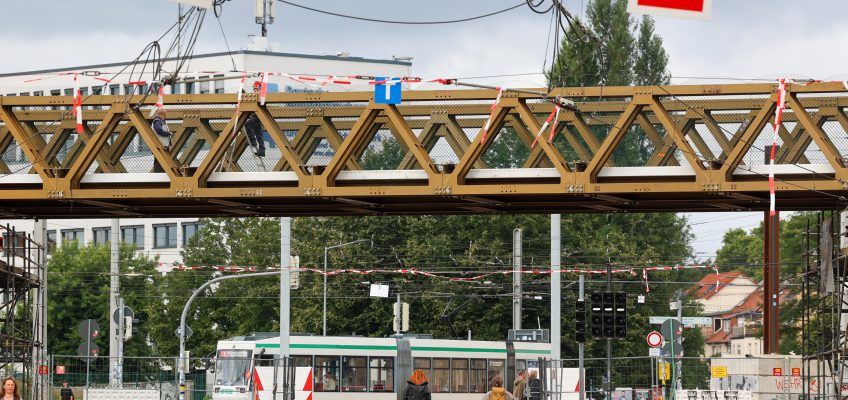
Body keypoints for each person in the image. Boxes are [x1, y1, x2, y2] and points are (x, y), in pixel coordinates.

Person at [243, 81, 266, 157]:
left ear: (260, 87)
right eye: (254, 88)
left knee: (248, 124)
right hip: (256, 116)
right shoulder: (255, 95)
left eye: (256, 88)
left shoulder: (261, 95)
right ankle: (262, 150)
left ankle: (253, 142)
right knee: (259, 133)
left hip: (257, 116)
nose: (255, 89)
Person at [150, 108, 174, 172]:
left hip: (163, 145)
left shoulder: (161, 121)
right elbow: (159, 130)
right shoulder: (157, 121)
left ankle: (159, 176)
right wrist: (168, 133)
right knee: (159, 162)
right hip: (161, 145)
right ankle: (158, 176)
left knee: (162, 162)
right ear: (164, 114)